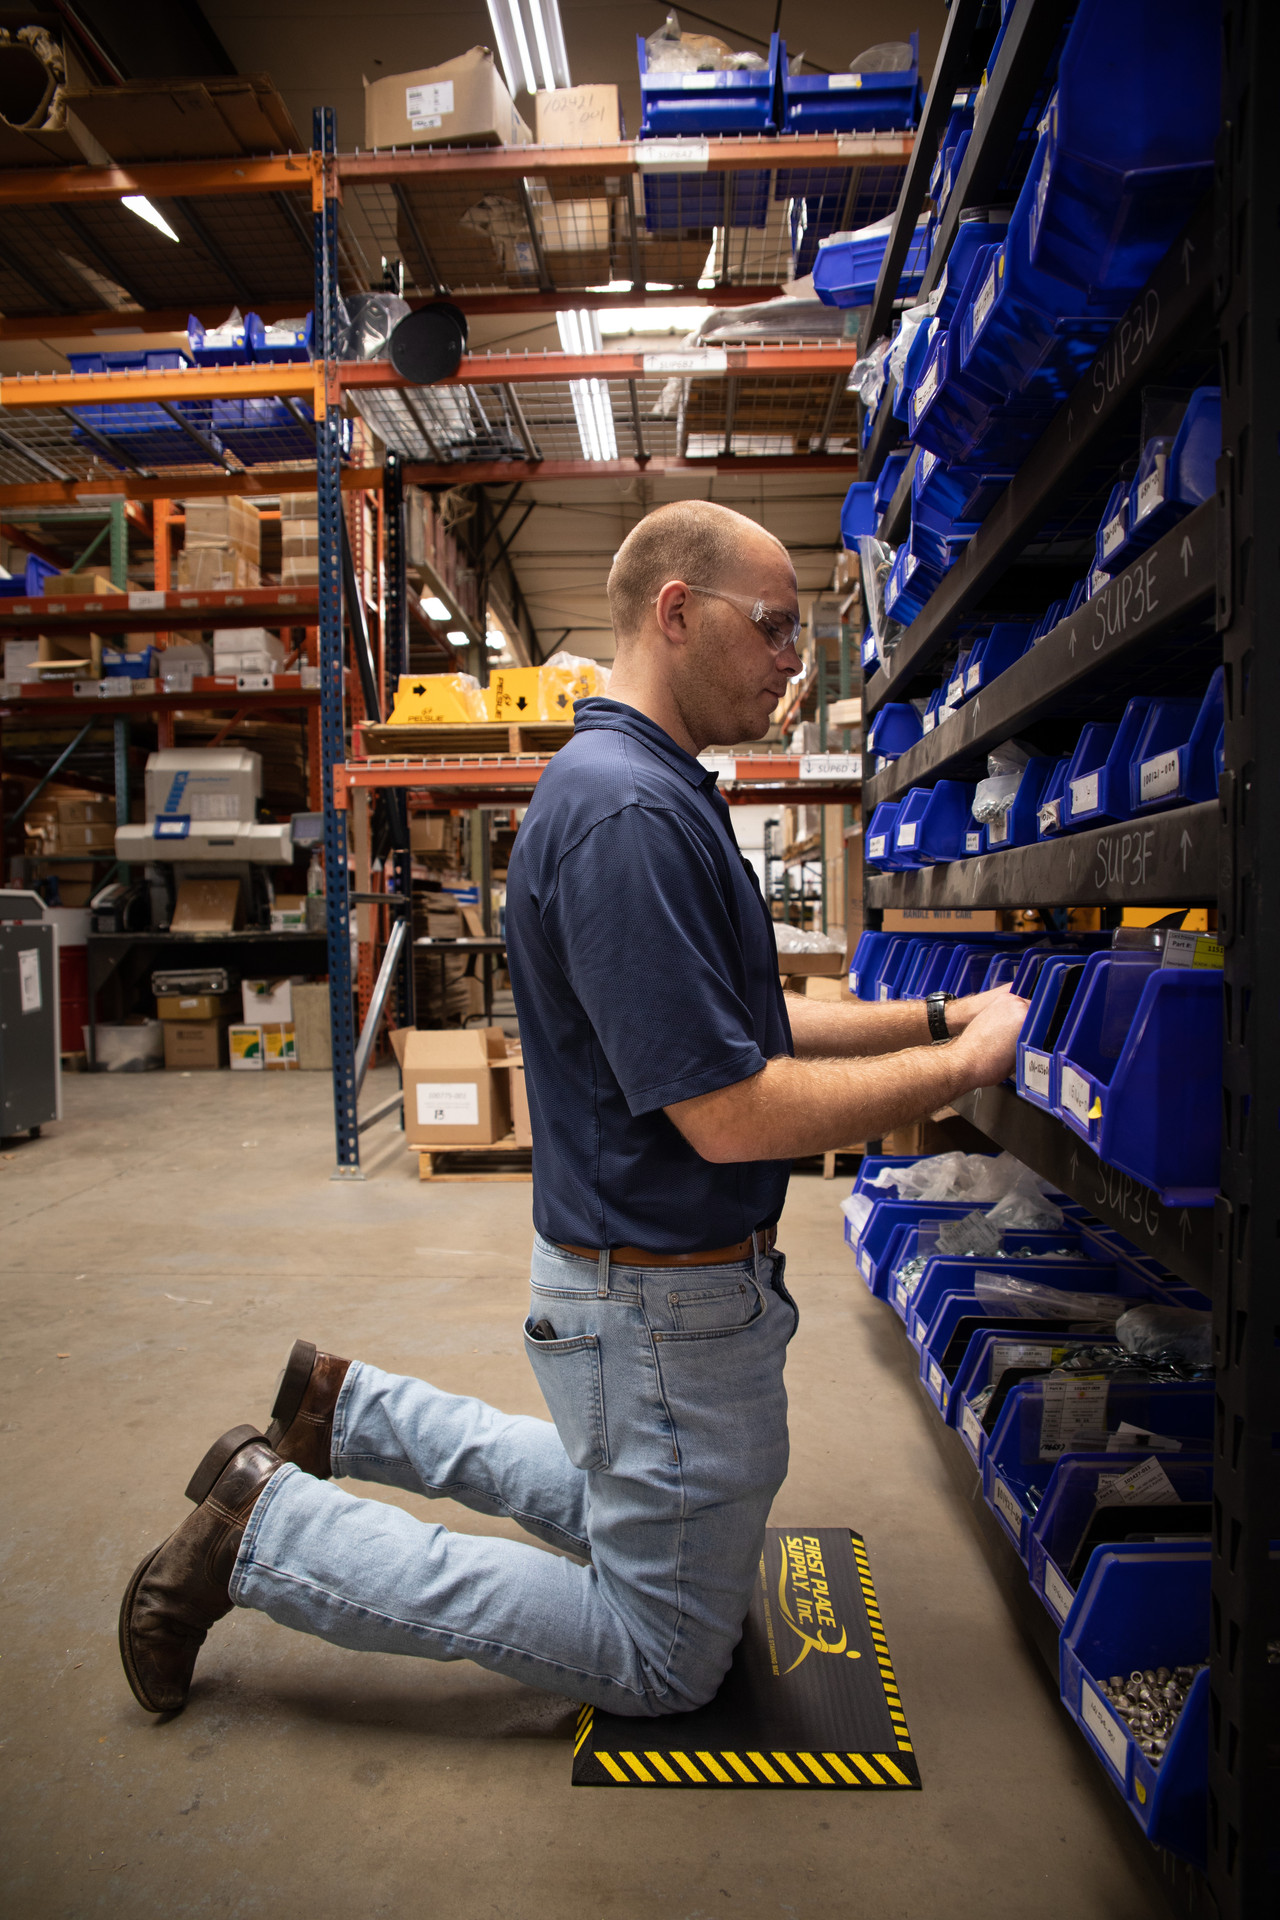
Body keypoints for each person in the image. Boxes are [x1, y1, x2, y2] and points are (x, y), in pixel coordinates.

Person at [119, 501, 1028, 1720]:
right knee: (659, 1655)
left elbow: (743, 1022)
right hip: (654, 1296)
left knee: (631, 1493)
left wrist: (934, 1020)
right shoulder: (626, 817)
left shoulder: (649, 789)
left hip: (652, 1287)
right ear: (674, 612)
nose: (789, 662)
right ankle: (268, 1535)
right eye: (769, 627)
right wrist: (962, 1075)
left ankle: (346, 1409)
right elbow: (729, 1110)